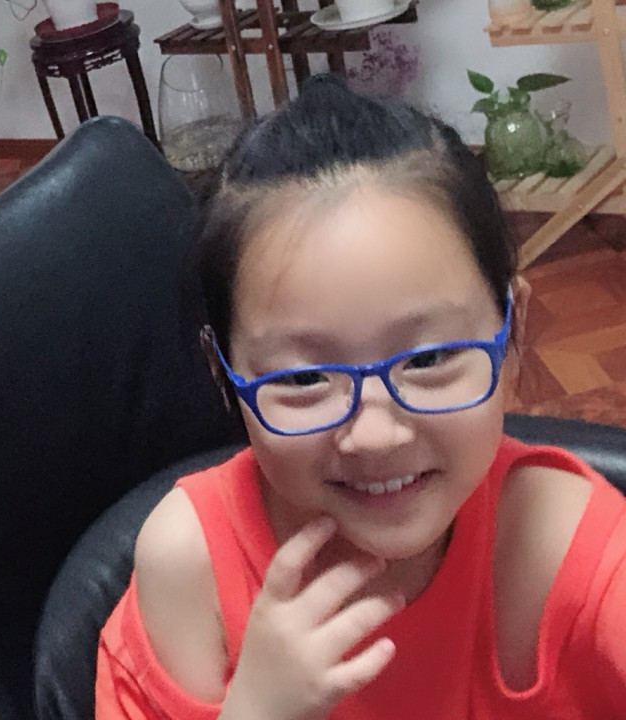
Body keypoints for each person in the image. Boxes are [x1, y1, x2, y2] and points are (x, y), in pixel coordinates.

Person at [95, 75, 626, 719]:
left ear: (512, 336)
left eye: (428, 359)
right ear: (222, 373)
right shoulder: (190, 569)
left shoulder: (571, 544)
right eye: (302, 379)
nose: (375, 435)